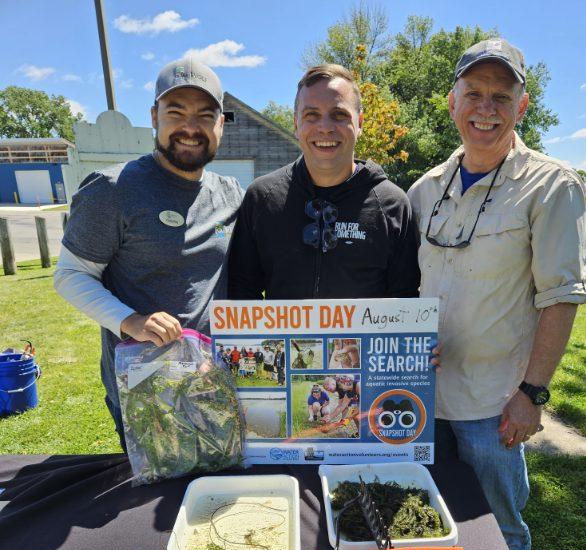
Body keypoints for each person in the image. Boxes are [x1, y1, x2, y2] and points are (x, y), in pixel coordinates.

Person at [408, 39, 586, 550]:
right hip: (421, 399)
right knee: (423, 526)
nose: (486, 108)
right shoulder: (423, 190)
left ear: (521, 106)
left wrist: (532, 394)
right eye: (474, 94)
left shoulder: (552, 185)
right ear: (451, 101)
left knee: (499, 529)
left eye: (501, 96)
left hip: (495, 405)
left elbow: (560, 296)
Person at [54, 55, 243, 445]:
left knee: (215, 490)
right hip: (143, 386)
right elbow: (71, 275)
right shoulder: (112, 189)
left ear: (221, 124)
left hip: (213, 379)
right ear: (154, 116)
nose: (190, 128)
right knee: (150, 495)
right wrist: (131, 321)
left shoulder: (231, 195)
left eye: (205, 115)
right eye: (176, 112)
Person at [227, 64, 420, 300]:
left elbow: (405, 301)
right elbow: (242, 292)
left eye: (339, 115)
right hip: (284, 339)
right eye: (312, 115)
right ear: (296, 124)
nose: (325, 128)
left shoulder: (393, 204)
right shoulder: (262, 197)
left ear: (359, 123)